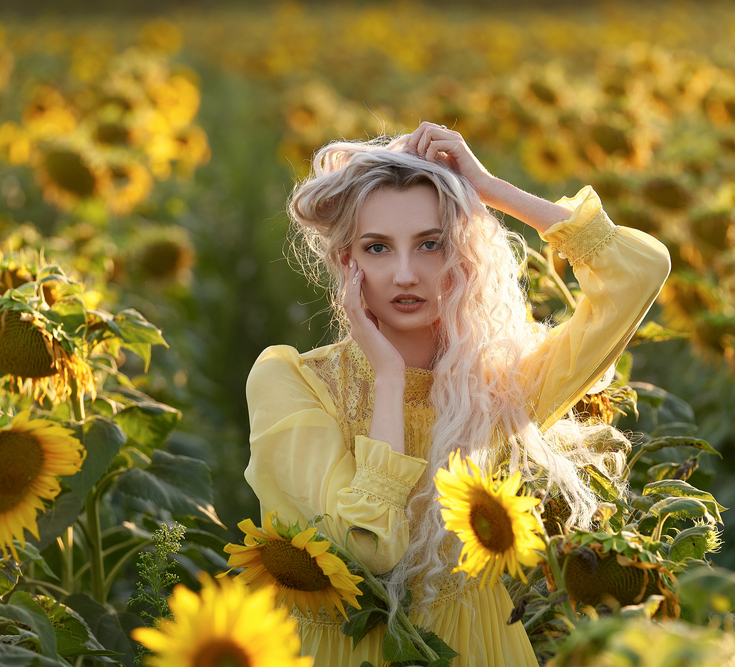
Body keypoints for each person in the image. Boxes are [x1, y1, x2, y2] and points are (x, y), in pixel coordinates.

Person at [243, 122, 671, 665]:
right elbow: (370, 549)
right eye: (377, 248)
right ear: (347, 262)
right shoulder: (292, 383)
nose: (404, 274)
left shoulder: (497, 386)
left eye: (430, 244)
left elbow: (640, 272)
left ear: (463, 256)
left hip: (481, 646)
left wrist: (493, 191)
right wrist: (389, 377)